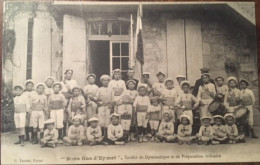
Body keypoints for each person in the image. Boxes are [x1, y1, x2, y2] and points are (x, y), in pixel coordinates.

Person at [60, 69, 79, 138]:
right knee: (64, 117)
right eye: (68, 73)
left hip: (72, 99)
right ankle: (64, 134)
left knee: (71, 115)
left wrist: (71, 95)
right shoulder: (62, 82)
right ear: (65, 74)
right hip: (64, 99)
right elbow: (61, 92)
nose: (70, 74)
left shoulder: (74, 81)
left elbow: (76, 90)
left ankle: (71, 134)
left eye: (71, 73)